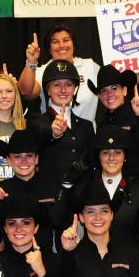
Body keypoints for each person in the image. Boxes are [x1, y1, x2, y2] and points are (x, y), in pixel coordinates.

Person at [66, 125, 139, 249]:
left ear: (125, 156)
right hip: (92, 259)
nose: (111, 158)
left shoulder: (138, 190)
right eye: (105, 153)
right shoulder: (85, 186)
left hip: (128, 259)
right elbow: (61, 218)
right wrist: (67, 184)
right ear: (98, 156)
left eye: (117, 152)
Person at [26, 59, 95, 191]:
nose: (63, 90)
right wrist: (54, 134)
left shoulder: (86, 126)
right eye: (56, 85)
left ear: (74, 89)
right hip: (49, 200)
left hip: (81, 199)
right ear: (48, 90)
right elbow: (33, 151)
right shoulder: (35, 122)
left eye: (68, 84)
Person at [0, 127, 56, 251]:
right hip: (11, 260)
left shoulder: (51, 187)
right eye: (17, 156)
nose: (23, 161)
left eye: (29, 155)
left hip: (46, 259)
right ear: (8, 160)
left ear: (36, 159)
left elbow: (61, 224)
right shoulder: (1, 191)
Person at [18, 23, 101, 124]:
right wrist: (31, 61)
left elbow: (112, 89)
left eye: (66, 40)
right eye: (55, 42)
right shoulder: (43, 70)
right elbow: (27, 92)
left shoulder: (90, 66)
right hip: (52, 135)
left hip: (87, 136)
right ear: (49, 49)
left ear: (73, 45)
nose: (61, 45)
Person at [89, 64, 139, 181]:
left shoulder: (137, 115)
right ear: (99, 96)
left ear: (124, 90)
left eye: (114, 88)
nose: (109, 94)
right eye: (104, 90)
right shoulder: (102, 123)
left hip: (133, 186)